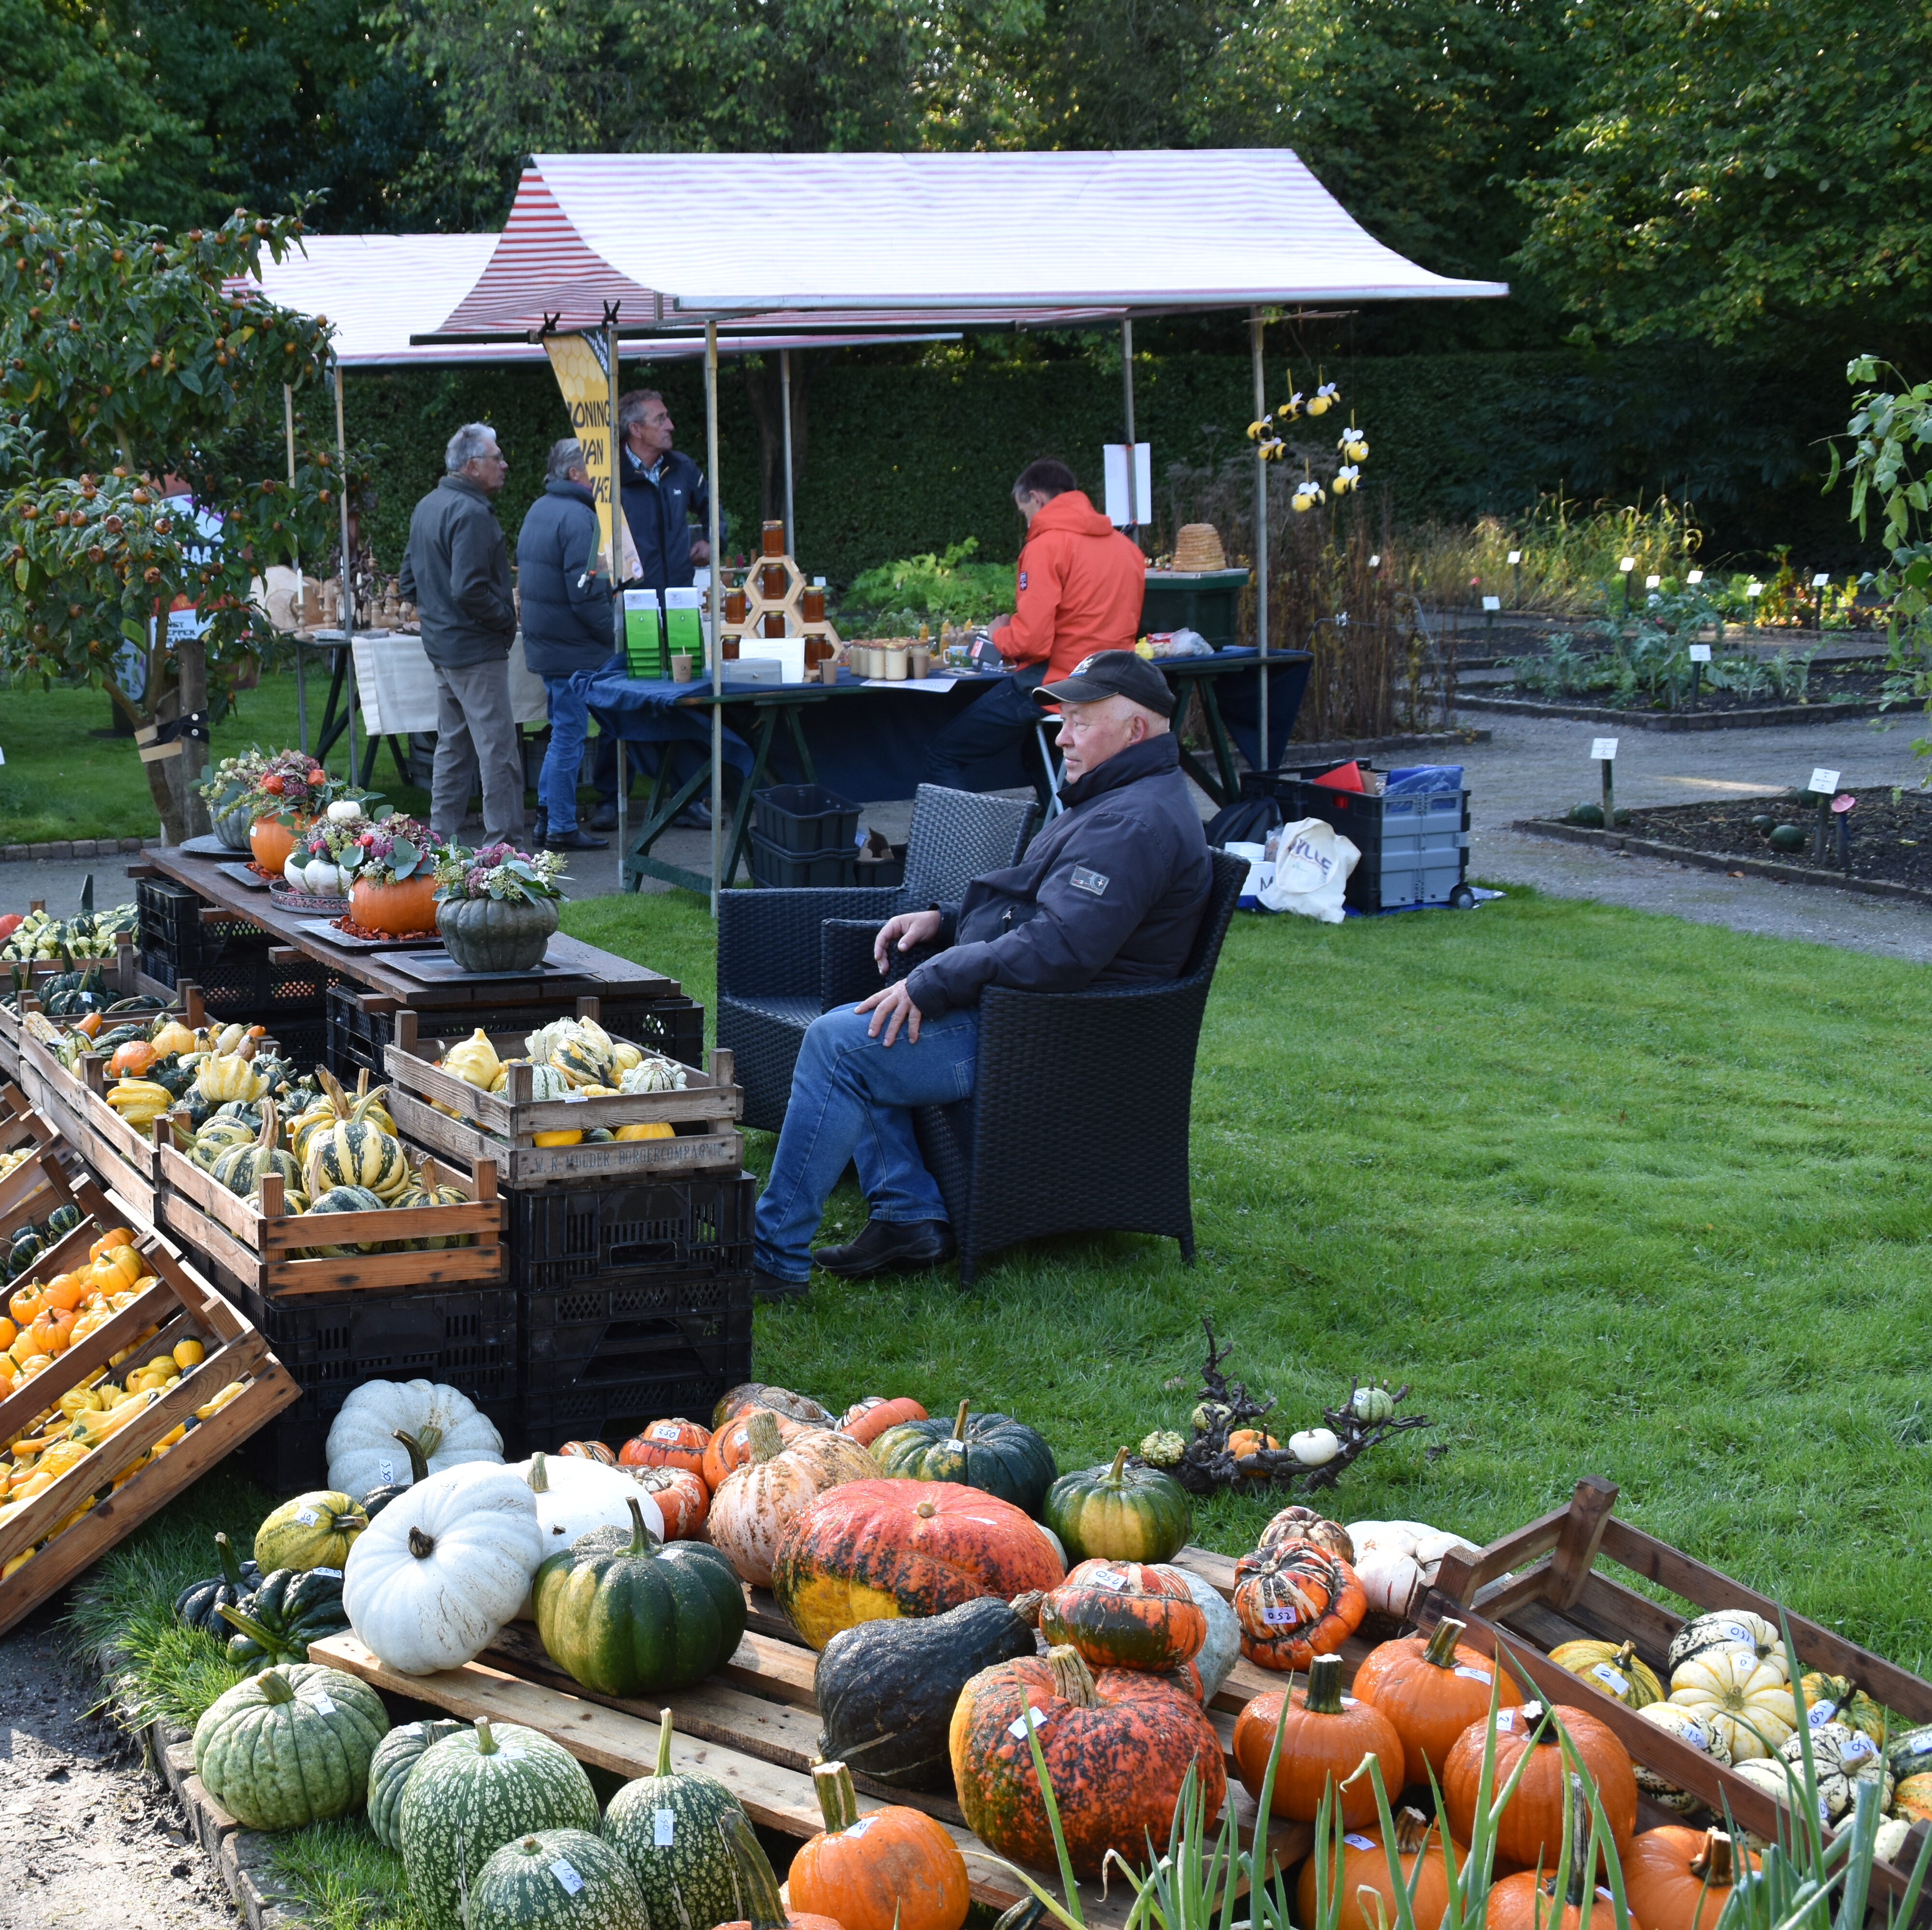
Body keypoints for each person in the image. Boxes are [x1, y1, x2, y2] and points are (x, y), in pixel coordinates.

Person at [752, 650, 1210, 1297]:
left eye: (1081, 720)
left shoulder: (1133, 823)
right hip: (1030, 1014)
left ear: (1136, 730)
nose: (1062, 734)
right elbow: (1045, 910)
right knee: (865, 1021)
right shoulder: (1121, 798)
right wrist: (942, 919)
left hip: (1050, 1040)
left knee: (838, 1044)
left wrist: (933, 982)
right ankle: (909, 1216)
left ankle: (773, 1260)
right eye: (1064, 718)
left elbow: (1059, 949)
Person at [924, 458, 1147, 802]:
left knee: (942, 754)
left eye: (1023, 509)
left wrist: (999, 633)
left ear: (1036, 498)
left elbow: (1032, 642)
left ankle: (960, 854)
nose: (1026, 519)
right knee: (1037, 752)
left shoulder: (1046, 546)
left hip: (1055, 687)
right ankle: (1066, 837)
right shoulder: (1127, 550)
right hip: (1109, 687)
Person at [589, 387, 723, 832]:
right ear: (636, 429)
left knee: (684, 697)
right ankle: (610, 797)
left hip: (681, 600)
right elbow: (593, 534)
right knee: (625, 694)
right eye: (661, 419)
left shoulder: (682, 467)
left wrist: (710, 537)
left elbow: (714, 508)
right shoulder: (609, 476)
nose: (669, 426)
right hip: (631, 604)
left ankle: (688, 795)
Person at [398, 423, 525, 848]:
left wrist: (438, 618)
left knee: (453, 747)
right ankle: (503, 846)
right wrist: (505, 620)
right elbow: (469, 589)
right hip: (473, 649)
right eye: (497, 457)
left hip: (443, 647)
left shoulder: (428, 506)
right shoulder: (470, 513)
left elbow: (408, 582)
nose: (504, 464)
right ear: (473, 466)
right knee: (498, 752)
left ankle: (439, 839)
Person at [517, 438, 616, 852]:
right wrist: (613, 635)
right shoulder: (580, 518)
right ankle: (559, 824)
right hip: (574, 647)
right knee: (569, 734)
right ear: (576, 473)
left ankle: (546, 817)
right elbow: (586, 593)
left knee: (562, 729)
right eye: (596, 468)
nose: (603, 478)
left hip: (549, 642)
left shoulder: (539, 509)